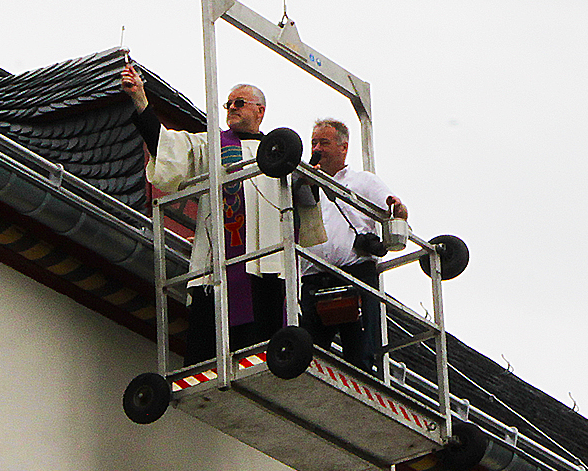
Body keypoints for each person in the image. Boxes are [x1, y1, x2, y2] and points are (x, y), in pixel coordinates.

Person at [123, 65, 320, 365]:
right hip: (220, 271)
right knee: (211, 357)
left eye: (239, 103)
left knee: (268, 356)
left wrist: (311, 181)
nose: (231, 109)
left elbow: (306, 208)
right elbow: (167, 147)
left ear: (260, 111)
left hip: (270, 269)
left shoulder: (283, 154)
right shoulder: (213, 145)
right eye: (228, 104)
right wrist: (140, 100)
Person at [299, 117, 406, 373]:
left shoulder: (363, 181)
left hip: (354, 275)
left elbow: (395, 210)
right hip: (313, 278)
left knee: (359, 356)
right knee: (308, 358)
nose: (317, 149)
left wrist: (399, 210)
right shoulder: (301, 183)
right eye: (314, 143)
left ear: (343, 147)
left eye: (324, 143)